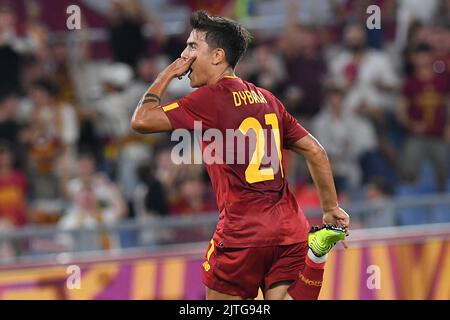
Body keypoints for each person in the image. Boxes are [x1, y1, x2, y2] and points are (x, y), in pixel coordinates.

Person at [131, 10, 349, 300]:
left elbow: (141, 120)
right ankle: (317, 255)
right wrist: (330, 207)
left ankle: (317, 255)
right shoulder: (268, 98)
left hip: (242, 233)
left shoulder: (209, 98)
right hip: (289, 226)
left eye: (192, 47)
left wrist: (167, 73)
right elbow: (315, 150)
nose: (184, 55)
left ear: (218, 56)